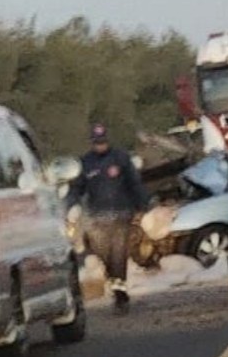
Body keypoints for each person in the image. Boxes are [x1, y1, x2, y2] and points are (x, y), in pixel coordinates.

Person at [64, 123, 150, 313]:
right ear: (92, 143)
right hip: (97, 218)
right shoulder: (86, 163)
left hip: (121, 214)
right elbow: (76, 188)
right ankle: (115, 282)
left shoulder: (120, 158)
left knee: (118, 254)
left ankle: (120, 295)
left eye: (102, 142)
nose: (100, 146)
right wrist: (71, 205)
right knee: (103, 255)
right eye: (97, 142)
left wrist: (142, 205)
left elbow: (134, 183)